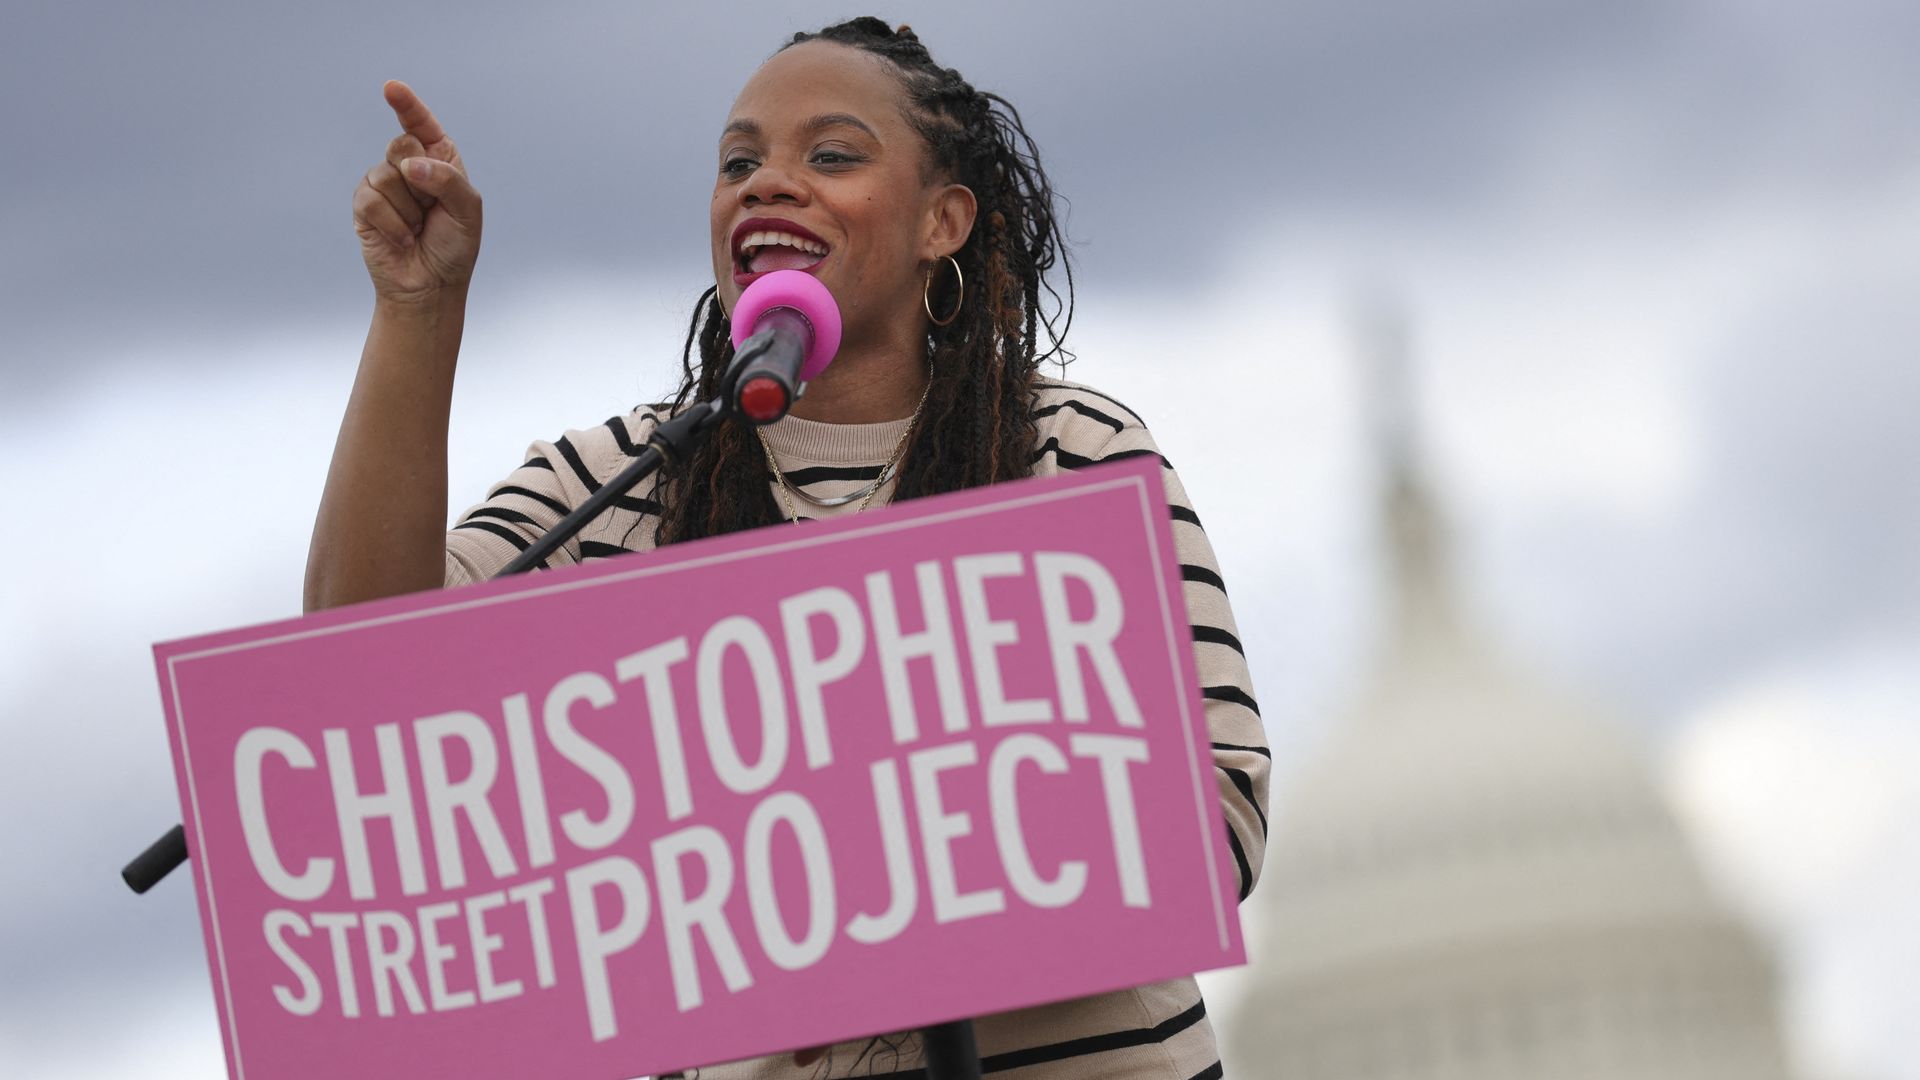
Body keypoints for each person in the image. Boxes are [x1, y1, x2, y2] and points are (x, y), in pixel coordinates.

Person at [307, 17, 1267, 1079]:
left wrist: (849, 943)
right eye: (738, 162)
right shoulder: (611, 485)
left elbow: (1217, 823)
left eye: (832, 155)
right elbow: (353, 681)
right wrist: (418, 305)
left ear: (942, 222)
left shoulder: (1069, 450)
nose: (768, 184)